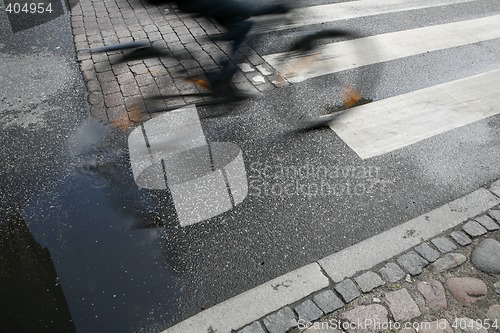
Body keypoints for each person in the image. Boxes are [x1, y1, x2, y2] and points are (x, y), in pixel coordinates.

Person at [156, 0, 289, 93]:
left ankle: (223, 73)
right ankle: (220, 78)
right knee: (243, 25)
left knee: (239, 26)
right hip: (206, 5)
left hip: (201, 6)